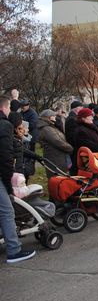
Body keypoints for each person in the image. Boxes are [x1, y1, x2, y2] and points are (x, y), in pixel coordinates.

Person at [0, 96, 36, 263]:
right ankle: (14, 250)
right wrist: (8, 183)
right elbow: (6, 157)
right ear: (4, 108)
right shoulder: (5, 125)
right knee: (7, 212)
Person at [36, 109, 73, 177]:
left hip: (57, 157)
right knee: (57, 179)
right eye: (53, 116)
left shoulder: (50, 127)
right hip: (55, 158)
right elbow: (58, 141)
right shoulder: (46, 129)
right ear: (49, 117)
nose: (55, 117)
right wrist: (71, 148)